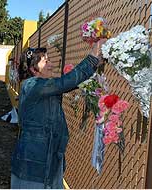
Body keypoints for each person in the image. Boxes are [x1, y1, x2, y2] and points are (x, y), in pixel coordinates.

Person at [11, 40, 106, 189]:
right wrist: (92, 57)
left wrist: (94, 64)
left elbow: (68, 83)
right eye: (46, 61)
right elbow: (65, 82)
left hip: (49, 162)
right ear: (33, 69)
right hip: (33, 166)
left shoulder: (41, 86)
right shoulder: (32, 85)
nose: (51, 64)